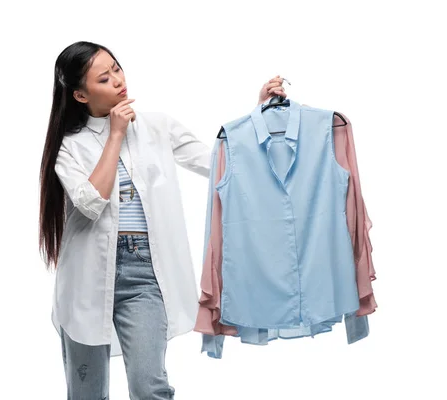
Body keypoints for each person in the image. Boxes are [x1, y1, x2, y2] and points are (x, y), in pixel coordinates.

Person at [38, 40, 286, 399]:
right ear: (79, 95)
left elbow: (218, 163)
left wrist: (259, 113)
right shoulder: (69, 146)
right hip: (85, 279)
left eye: (117, 69)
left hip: (144, 275)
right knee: (86, 393)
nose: (119, 81)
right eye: (104, 79)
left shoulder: (157, 127)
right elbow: (91, 203)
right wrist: (116, 134)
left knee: (148, 386)